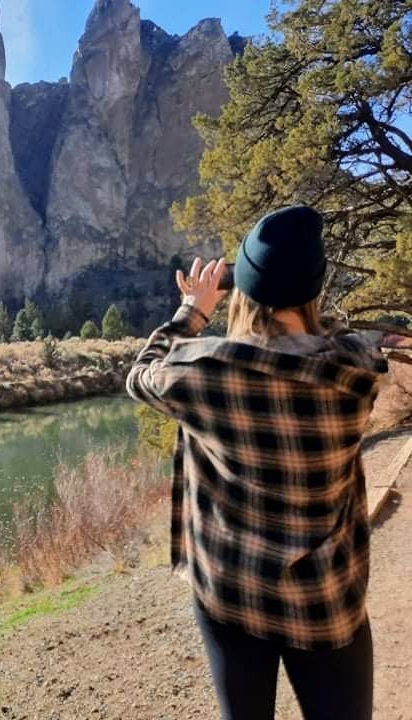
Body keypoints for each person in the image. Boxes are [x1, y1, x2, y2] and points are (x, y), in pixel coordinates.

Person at [126, 206, 389, 720]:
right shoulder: (356, 370)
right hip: (324, 599)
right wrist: (300, 297)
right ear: (314, 289)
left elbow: (140, 374)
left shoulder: (201, 373)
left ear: (243, 286)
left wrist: (193, 310)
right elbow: (337, 330)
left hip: (230, 588)